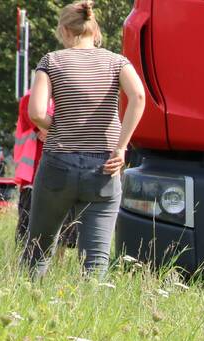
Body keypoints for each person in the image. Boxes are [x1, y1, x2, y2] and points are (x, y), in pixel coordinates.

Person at [25, 0, 145, 277]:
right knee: (96, 259)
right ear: (94, 28)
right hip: (104, 166)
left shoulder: (51, 61)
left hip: (58, 163)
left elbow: (36, 111)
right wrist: (121, 147)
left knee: (39, 248)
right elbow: (138, 96)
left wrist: (52, 125)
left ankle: (28, 303)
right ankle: (90, 316)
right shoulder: (117, 62)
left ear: (66, 30)